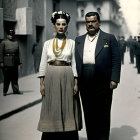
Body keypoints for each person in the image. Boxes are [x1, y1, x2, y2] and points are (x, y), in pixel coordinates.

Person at [75, 12, 121, 140]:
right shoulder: (78, 40)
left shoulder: (109, 38)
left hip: (103, 81)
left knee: (103, 114)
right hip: (85, 80)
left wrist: (114, 78)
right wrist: (76, 81)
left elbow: (116, 60)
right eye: (87, 22)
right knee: (89, 113)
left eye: (93, 21)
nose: (90, 24)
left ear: (99, 23)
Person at [37, 11, 82, 140]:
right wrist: (41, 83)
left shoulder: (72, 43)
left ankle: (69, 135)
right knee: (52, 106)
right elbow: (42, 64)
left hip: (67, 75)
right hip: (51, 76)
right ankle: (51, 135)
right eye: (58, 24)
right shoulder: (47, 43)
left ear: (67, 26)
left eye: (63, 24)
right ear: (54, 26)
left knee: (68, 106)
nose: (61, 26)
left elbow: (74, 63)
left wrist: (76, 83)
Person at [0, 29, 23, 96]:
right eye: (10, 35)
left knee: (15, 77)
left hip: (15, 62)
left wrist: (20, 62)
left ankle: (16, 90)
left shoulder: (16, 43)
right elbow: (1, 53)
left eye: (12, 35)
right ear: (7, 35)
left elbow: (19, 53)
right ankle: (5, 91)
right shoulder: (3, 42)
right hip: (7, 62)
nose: (11, 36)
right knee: (7, 77)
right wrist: (1, 61)